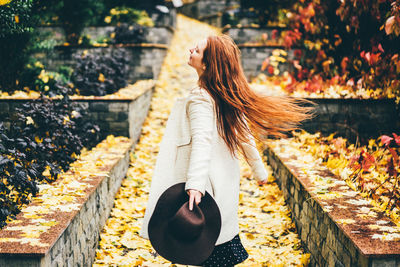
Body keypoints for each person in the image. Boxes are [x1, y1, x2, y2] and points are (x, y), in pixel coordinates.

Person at [139, 34, 314, 266]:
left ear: (207, 64)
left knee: (204, 248)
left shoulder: (201, 97)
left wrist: (194, 184)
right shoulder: (225, 95)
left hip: (205, 184)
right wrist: (259, 171)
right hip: (222, 181)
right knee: (220, 242)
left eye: (197, 50)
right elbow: (246, 136)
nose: (191, 49)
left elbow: (202, 141)